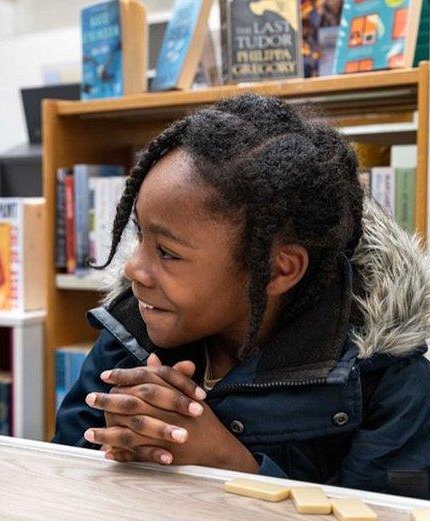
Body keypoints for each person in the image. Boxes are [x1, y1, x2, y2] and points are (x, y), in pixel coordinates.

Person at [54, 94, 430, 499]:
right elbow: (62, 481)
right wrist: (109, 446)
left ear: (279, 270)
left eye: (167, 252)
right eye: (140, 236)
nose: (133, 269)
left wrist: (228, 464)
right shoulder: (130, 332)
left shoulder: (390, 384)